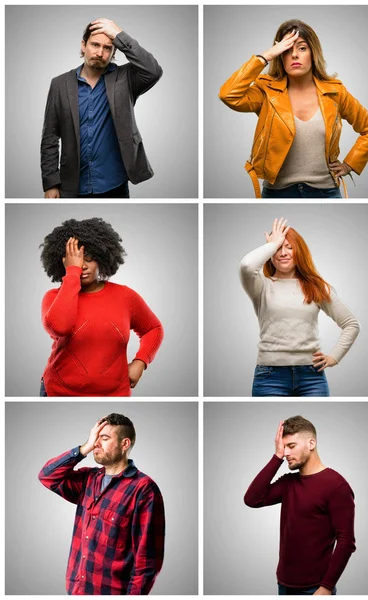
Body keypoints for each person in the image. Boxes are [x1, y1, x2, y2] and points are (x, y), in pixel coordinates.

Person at [219, 19, 368, 198]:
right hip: (276, 192)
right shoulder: (266, 91)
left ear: (313, 53)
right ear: (280, 55)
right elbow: (228, 95)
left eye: (302, 48)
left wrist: (350, 164)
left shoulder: (335, 92)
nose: (294, 55)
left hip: (326, 191)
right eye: (286, 50)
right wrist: (265, 56)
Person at [38, 414, 165, 595]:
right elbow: (47, 476)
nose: (97, 443)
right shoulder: (88, 480)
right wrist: (84, 448)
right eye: (95, 438)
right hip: (77, 591)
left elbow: (147, 562)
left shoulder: (143, 490)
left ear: (125, 444)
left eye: (104, 438)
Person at [39, 217, 164, 396]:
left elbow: (153, 328)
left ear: (102, 258)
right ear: (63, 262)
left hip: (115, 394)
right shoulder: (53, 297)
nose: (82, 266)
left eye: (89, 259)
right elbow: (60, 327)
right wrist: (72, 274)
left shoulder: (125, 296)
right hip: (58, 392)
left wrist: (140, 361)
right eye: (76, 261)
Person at [41, 18, 163, 198]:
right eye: (95, 45)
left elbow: (153, 71)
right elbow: (50, 137)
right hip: (72, 183)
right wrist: (51, 183)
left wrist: (119, 35)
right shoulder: (59, 84)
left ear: (114, 51)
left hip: (114, 182)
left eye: (107, 48)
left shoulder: (124, 78)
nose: (100, 53)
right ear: (84, 46)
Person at [239, 217, 360, 396]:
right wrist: (273, 244)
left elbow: (351, 324)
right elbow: (247, 266)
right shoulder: (261, 286)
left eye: (289, 247)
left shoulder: (316, 287)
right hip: (270, 377)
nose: (283, 253)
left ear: (299, 252)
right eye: (278, 248)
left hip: (312, 377)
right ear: (270, 254)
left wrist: (334, 357)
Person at [245, 416, 356, 595]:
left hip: (315, 588)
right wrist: (276, 457)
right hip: (284, 585)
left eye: (291, 446)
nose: (286, 453)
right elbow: (252, 499)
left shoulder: (336, 486)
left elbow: (346, 541)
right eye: (283, 447)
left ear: (311, 443)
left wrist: (326, 587)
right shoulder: (289, 482)